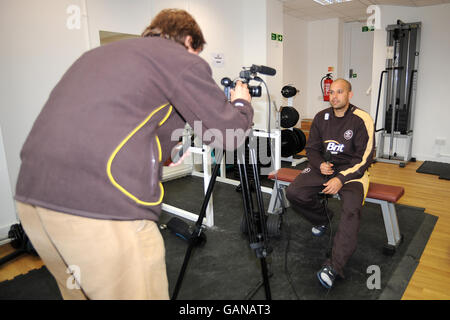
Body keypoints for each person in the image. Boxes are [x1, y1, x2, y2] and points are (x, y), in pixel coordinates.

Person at [14, 9, 253, 300]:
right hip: (101, 206)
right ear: (189, 40)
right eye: (197, 52)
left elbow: (117, 120)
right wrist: (241, 104)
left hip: (34, 199)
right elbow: (227, 135)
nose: (197, 59)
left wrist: (165, 148)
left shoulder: (99, 56)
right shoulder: (178, 59)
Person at [285, 78, 374, 289]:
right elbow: (312, 149)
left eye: (340, 92)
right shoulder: (321, 117)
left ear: (350, 95)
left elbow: (365, 158)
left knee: (351, 210)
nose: (334, 96)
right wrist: (319, 164)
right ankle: (323, 218)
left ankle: (334, 266)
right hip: (326, 167)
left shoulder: (362, 119)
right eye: (331, 92)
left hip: (352, 173)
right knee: (294, 192)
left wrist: (340, 179)